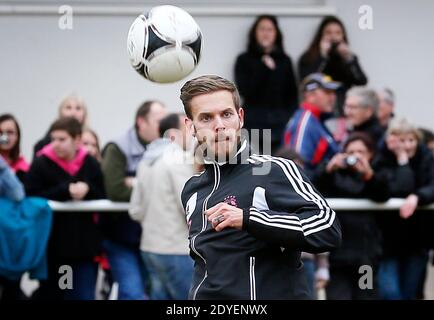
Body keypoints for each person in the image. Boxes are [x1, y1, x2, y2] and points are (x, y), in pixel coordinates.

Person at [179, 75, 341, 300]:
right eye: (206, 118)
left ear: (240, 117)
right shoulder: (192, 190)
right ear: (191, 126)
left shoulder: (274, 170)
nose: (219, 126)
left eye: (226, 114)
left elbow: (328, 229)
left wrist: (249, 219)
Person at [25, 117, 105, 300]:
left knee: (83, 295)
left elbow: (103, 194)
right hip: (55, 250)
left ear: (77, 140)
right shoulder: (41, 163)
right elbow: (30, 195)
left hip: (84, 250)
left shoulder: (90, 163)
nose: (56, 144)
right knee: (59, 295)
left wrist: (88, 190)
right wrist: (65, 190)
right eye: (53, 139)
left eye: (62, 139)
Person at [100, 100, 167, 300]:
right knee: (133, 293)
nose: (164, 127)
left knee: (152, 293)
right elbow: (115, 191)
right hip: (120, 237)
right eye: (158, 121)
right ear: (141, 122)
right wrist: (150, 188)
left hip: (152, 238)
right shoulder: (117, 148)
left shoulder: (169, 147)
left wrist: (136, 183)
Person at [315, 132, 389, 299]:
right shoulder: (334, 175)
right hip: (338, 258)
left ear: (371, 154)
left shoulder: (377, 173)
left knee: (366, 295)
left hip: (366, 258)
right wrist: (328, 169)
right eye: (351, 152)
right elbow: (312, 190)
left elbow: (383, 194)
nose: (355, 156)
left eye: (360, 152)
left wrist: (368, 174)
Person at [129, 113, 194, 300]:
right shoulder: (179, 159)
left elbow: (135, 210)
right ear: (174, 133)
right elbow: (189, 206)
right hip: (176, 249)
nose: (194, 134)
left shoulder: (146, 161)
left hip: (150, 248)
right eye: (188, 129)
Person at [375, 118, 434, 300]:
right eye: (401, 140)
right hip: (387, 241)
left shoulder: (427, 158)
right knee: (389, 292)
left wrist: (418, 197)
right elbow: (400, 188)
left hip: (417, 240)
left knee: (410, 293)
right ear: (391, 141)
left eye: (410, 140)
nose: (407, 146)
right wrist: (402, 162)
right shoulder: (381, 161)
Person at [234, 15, 298, 154]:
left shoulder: (284, 61)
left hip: (280, 124)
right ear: (254, 33)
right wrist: (263, 68)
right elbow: (245, 91)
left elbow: (292, 94)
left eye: (270, 29)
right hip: (253, 125)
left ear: (276, 34)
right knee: (257, 167)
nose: (266, 33)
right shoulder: (244, 60)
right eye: (262, 29)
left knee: (278, 164)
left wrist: (290, 119)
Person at [298, 15, 367, 116]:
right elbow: (308, 84)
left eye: (338, 33)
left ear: (343, 36)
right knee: (266, 132)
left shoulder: (348, 58)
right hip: (317, 112)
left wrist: (349, 59)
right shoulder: (309, 57)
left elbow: (361, 81)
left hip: (343, 111)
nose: (333, 37)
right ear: (321, 35)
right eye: (329, 33)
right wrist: (322, 57)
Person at [283, 73, 341, 172]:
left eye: (333, 92)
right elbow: (297, 169)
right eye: (327, 92)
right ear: (310, 96)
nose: (333, 97)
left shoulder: (317, 119)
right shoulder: (304, 123)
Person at [0, 114, 30, 181]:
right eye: (0, 132)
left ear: (17, 136)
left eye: (10, 132)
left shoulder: (24, 170)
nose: (5, 137)